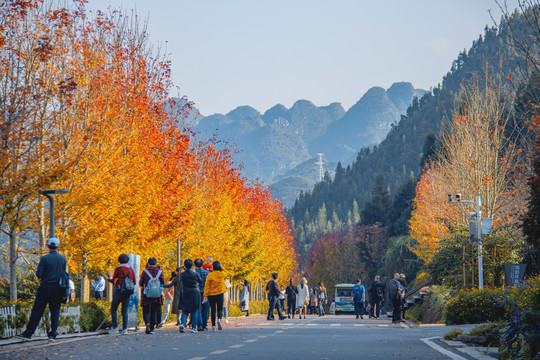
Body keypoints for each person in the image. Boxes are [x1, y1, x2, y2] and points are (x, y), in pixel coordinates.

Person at [16, 238, 67, 341]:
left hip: (45, 287)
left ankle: (28, 333)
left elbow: (39, 274)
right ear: (57, 246)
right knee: (55, 311)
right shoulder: (63, 259)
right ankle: (53, 334)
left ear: (48, 246)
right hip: (57, 289)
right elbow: (64, 273)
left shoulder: (44, 258)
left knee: (37, 310)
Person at [107, 253, 136, 335]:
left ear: (119, 260)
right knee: (125, 310)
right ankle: (125, 329)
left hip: (119, 291)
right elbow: (134, 282)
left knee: (113, 309)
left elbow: (114, 281)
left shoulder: (118, 269)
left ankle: (115, 327)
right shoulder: (131, 270)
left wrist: (109, 278)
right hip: (128, 292)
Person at [139, 257, 164, 334]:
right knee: (154, 311)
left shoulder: (145, 272)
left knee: (146, 310)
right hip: (156, 294)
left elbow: (140, 283)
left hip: (146, 294)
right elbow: (162, 283)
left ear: (148, 263)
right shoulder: (159, 272)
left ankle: (147, 324)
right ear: (156, 263)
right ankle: (152, 328)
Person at [179, 259, 202, 333]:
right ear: (192, 265)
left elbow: (180, 281)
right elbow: (200, 280)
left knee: (185, 310)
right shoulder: (195, 274)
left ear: (185, 266)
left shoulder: (182, 274)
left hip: (185, 292)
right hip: (194, 293)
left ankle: (182, 324)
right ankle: (194, 328)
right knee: (194, 310)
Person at [203, 261, 227, 331]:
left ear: (213, 267)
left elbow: (207, 286)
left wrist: (205, 296)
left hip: (211, 295)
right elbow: (226, 272)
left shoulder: (210, 275)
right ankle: (219, 319)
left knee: (213, 310)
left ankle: (213, 326)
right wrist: (222, 268)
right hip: (220, 293)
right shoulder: (222, 274)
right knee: (220, 309)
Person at [194, 258, 210, 331]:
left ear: (195, 265)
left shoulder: (194, 273)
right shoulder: (208, 273)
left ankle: (199, 325)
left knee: (198, 309)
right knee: (205, 309)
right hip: (206, 293)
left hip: (196, 293)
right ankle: (204, 325)